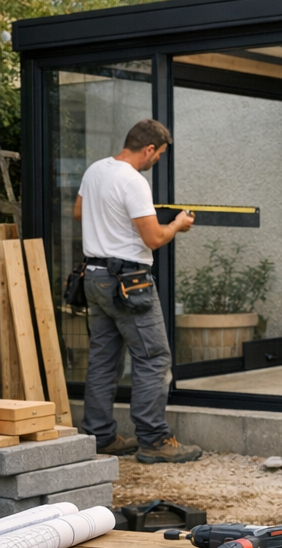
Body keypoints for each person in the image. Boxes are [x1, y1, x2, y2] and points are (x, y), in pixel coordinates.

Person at [74, 119, 203, 464]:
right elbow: (154, 238)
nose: (157, 160)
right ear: (148, 149)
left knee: (104, 359)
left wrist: (112, 224)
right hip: (128, 281)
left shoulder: (96, 170)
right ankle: (153, 439)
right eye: (158, 154)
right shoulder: (133, 181)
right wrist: (177, 224)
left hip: (95, 275)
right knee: (154, 358)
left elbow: (78, 212)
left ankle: (99, 435)